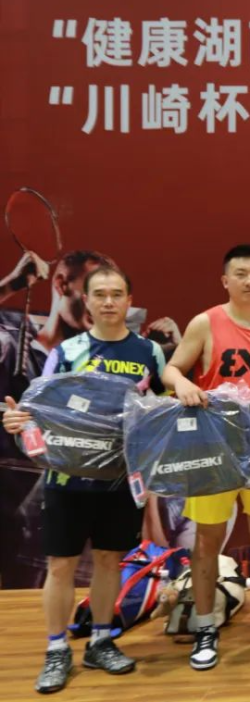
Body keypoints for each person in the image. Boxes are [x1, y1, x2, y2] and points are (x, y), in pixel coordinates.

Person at [2, 266, 165, 693]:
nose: (109, 302)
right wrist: (19, 422)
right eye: (100, 294)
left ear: (129, 300)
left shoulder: (149, 352)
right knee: (61, 566)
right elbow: (37, 411)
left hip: (120, 481)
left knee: (110, 560)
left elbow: (160, 414)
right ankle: (57, 650)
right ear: (88, 301)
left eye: (117, 294)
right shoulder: (66, 351)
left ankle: (101, 641)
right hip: (66, 479)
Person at [162, 244, 250, 671]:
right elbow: (171, 369)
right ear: (225, 280)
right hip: (213, 445)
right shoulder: (206, 322)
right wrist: (182, 383)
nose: (249, 281)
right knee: (207, 538)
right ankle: (204, 625)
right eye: (241, 273)